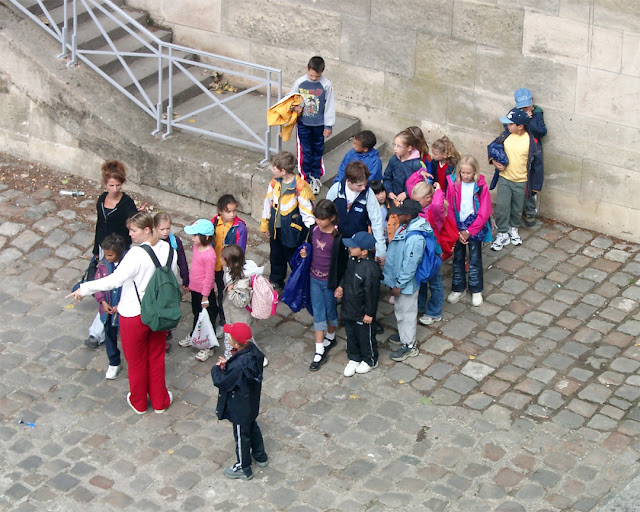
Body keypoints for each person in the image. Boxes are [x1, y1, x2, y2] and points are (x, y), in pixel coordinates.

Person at [68, 212, 177, 414]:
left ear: (146, 230)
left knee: (136, 361)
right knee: (156, 357)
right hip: (160, 312)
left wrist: (84, 288)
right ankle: (160, 401)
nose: (129, 234)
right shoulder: (169, 250)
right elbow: (173, 277)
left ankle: (139, 402)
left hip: (135, 314)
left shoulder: (135, 255)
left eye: (133, 230)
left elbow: (114, 280)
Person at [85, 160, 140, 348]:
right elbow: (99, 225)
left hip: (121, 251)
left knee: (116, 289)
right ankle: (98, 330)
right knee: (105, 288)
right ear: (105, 184)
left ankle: (103, 329)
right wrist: (95, 250)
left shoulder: (126, 203)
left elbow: (133, 224)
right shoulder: (101, 199)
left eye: (118, 185)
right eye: (111, 185)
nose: (115, 188)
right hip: (104, 249)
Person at [212, 322, 267, 481]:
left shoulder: (238, 365)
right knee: (252, 427)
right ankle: (260, 455)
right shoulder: (255, 353)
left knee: (241, 435)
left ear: (236, 344)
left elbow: (223, 382)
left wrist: (218, 369)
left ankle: (243, 467)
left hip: (239, 407)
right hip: (251, 402)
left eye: (229, 337)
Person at [488, 108, 543, 251]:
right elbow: (492, 148)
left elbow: (538, 164)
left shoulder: (531, 141)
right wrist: (494, 161)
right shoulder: (505, 136)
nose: (507, 126)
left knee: (517, 208)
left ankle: (513, 228)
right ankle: (502, 232)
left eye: (510, 124)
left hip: (521, 181)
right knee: (502, 207)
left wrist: (535, 186)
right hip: (504, 178)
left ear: (520, 126)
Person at [260, 151, 315, 289]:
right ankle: (277, 280)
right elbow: (268, 203)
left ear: (283, 171)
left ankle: (298, 284)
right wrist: (266, 225)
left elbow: (306, 210)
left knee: (293, 257)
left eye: (274, 168)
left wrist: (311, 232)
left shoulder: (300, 187)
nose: (273, 170)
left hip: (292, 229)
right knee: (276, 255)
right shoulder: (274, 182)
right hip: (276, 228)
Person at [299, 200, 342, 371]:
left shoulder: (337, 237)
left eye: (322, 219)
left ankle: (330, 336)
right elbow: (309, 248)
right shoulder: (313, 231)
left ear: (331, 218)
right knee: (318, 312)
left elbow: (341, 263)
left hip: (329, 281)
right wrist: (304, 252)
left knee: (331, 310)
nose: (318, 222)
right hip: (313, 278)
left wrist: (340, 285)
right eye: (316, 218)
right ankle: (318, 350)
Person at [383, 200, 428, 362]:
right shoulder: (407, 226)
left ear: (407, 216)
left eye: (400, 213)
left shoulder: (415, 238)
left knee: (407, 313)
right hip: (400, 282)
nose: (397, 215)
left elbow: (409, 266)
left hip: (406, 285)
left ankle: (409, 345)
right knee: (400, 310)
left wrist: (398, 285)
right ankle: (404, 335)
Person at [446, 156, 493, 307]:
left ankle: (476, 288)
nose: (465, 176)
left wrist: (470, 231)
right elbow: (450, 208)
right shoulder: (453, 184)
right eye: (463, 173)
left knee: (475, 259)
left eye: (469, 173)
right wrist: (456, 230)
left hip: (474, 226)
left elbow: (484, 211)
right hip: (458, 225)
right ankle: (458, 288)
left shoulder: (481, 186)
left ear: (475, 172)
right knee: (458, 258)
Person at [334, 232, 382, 376]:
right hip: (349, 307)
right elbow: (346, 276)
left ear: (364, 251)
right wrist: (341, 286)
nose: (350, 248)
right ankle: (354, 357)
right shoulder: (352, 260)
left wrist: (369, 313)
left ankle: (370, 359)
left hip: (362, 312)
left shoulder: (371, 270)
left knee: (365, 336)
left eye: (353, 247)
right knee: (351, 334)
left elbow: (372, 294)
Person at [325, 161, 387, 266]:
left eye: (365, 184)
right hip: (337, 240)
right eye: (360, 185)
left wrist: (381, 249)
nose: (364, 188)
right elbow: (326, 213)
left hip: (358, 244)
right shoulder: (336, 190)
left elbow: (376, 222)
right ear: (349, 181)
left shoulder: (368, 194)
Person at [290, 56, 336, 193]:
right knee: (305, 151)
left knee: (317, 150)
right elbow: (291, 98)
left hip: (319, 125)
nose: (314, 78)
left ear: (322, 72)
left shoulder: (326, 85)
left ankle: (315, 176)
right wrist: (295, 107)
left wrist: (329, 125)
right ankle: (304, 177)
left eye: (317, 76)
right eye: (311, 75)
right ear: (307, 69)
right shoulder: (300, 82)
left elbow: (329, 106)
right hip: (304, 123)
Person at [219, 244, 268, 367]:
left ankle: (258, 357)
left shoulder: (242, 281)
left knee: (244, 340)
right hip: (231, 315)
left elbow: (241, 301)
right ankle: (229, 357)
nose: (219, 260)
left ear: (229, 262)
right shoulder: (231, 270)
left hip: (239, 317)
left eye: (221, 258)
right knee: (230, 337)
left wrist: (230, 290)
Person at [177, 219, 217, 362]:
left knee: (207, 317)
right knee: (196, 313)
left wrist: (205, 296)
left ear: (206, 237)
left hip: (204, 293)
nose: (192, 238)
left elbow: (209, 277)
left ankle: (208, 346)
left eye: (195, 235)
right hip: (195, 289)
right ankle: (195, 334)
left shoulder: (210, 255)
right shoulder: (196, 247)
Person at [210, 194, 248, 336]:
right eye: (228, 211)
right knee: (218, 292)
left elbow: (240, 251)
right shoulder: (213, 222)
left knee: (225, 295)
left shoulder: (240, 228)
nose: (232, 214)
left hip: (229, 268)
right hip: (216, 264)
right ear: (220, 211)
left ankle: (224, 321)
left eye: (234, 211)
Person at [410, 182, 446, 325]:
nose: (414, 204)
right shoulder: (419, 209)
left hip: (432, 252)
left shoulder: (434, 210)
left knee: (435, 282)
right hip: (421, 251)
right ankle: (420, 305)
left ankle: (434, 312)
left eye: (417, 201)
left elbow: (438, 205)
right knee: (421, 280)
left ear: (429, 198)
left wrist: (438, 191)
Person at [92, 234, 126, 379]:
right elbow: (97, 284)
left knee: (127, 336)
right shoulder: (103, 266)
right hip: (107, 309)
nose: (107, 257)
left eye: (110, 255)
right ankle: (113, 361)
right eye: (105, 254)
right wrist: (102, 301)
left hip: (124, 310)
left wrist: (121, 304)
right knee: (109, 335)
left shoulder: (127, 265)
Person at [154, 212, 189, 351]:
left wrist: (186, 278)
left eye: (168, 228)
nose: (165, 232)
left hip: (170, 281)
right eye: (162, 229)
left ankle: (165, 333)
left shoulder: (175, 241)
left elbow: (182, 261)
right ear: (155, 228)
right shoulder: (152, 242)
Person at [513, 88, 547, 226]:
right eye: (522, 107)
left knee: (531, 183)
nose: (525, 108)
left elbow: (542, 131)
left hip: (532, 153)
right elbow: (508, 127)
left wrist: (529, 121)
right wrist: (522, 118)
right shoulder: (515, 113)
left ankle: (530, 212)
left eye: (526, 106)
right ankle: (516, 212)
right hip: (517, 152)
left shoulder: (537, 113)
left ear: (532, 101)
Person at [382, 129, 425, 205]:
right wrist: (389, 192)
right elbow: (387, 177)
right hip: (393, 198)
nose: (395, 148)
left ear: (409, 148)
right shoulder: (394, 159)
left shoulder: (417, 164)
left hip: (409, 201)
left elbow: (421, 186)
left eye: (399, 146)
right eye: (394, 144)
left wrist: (406, 194)